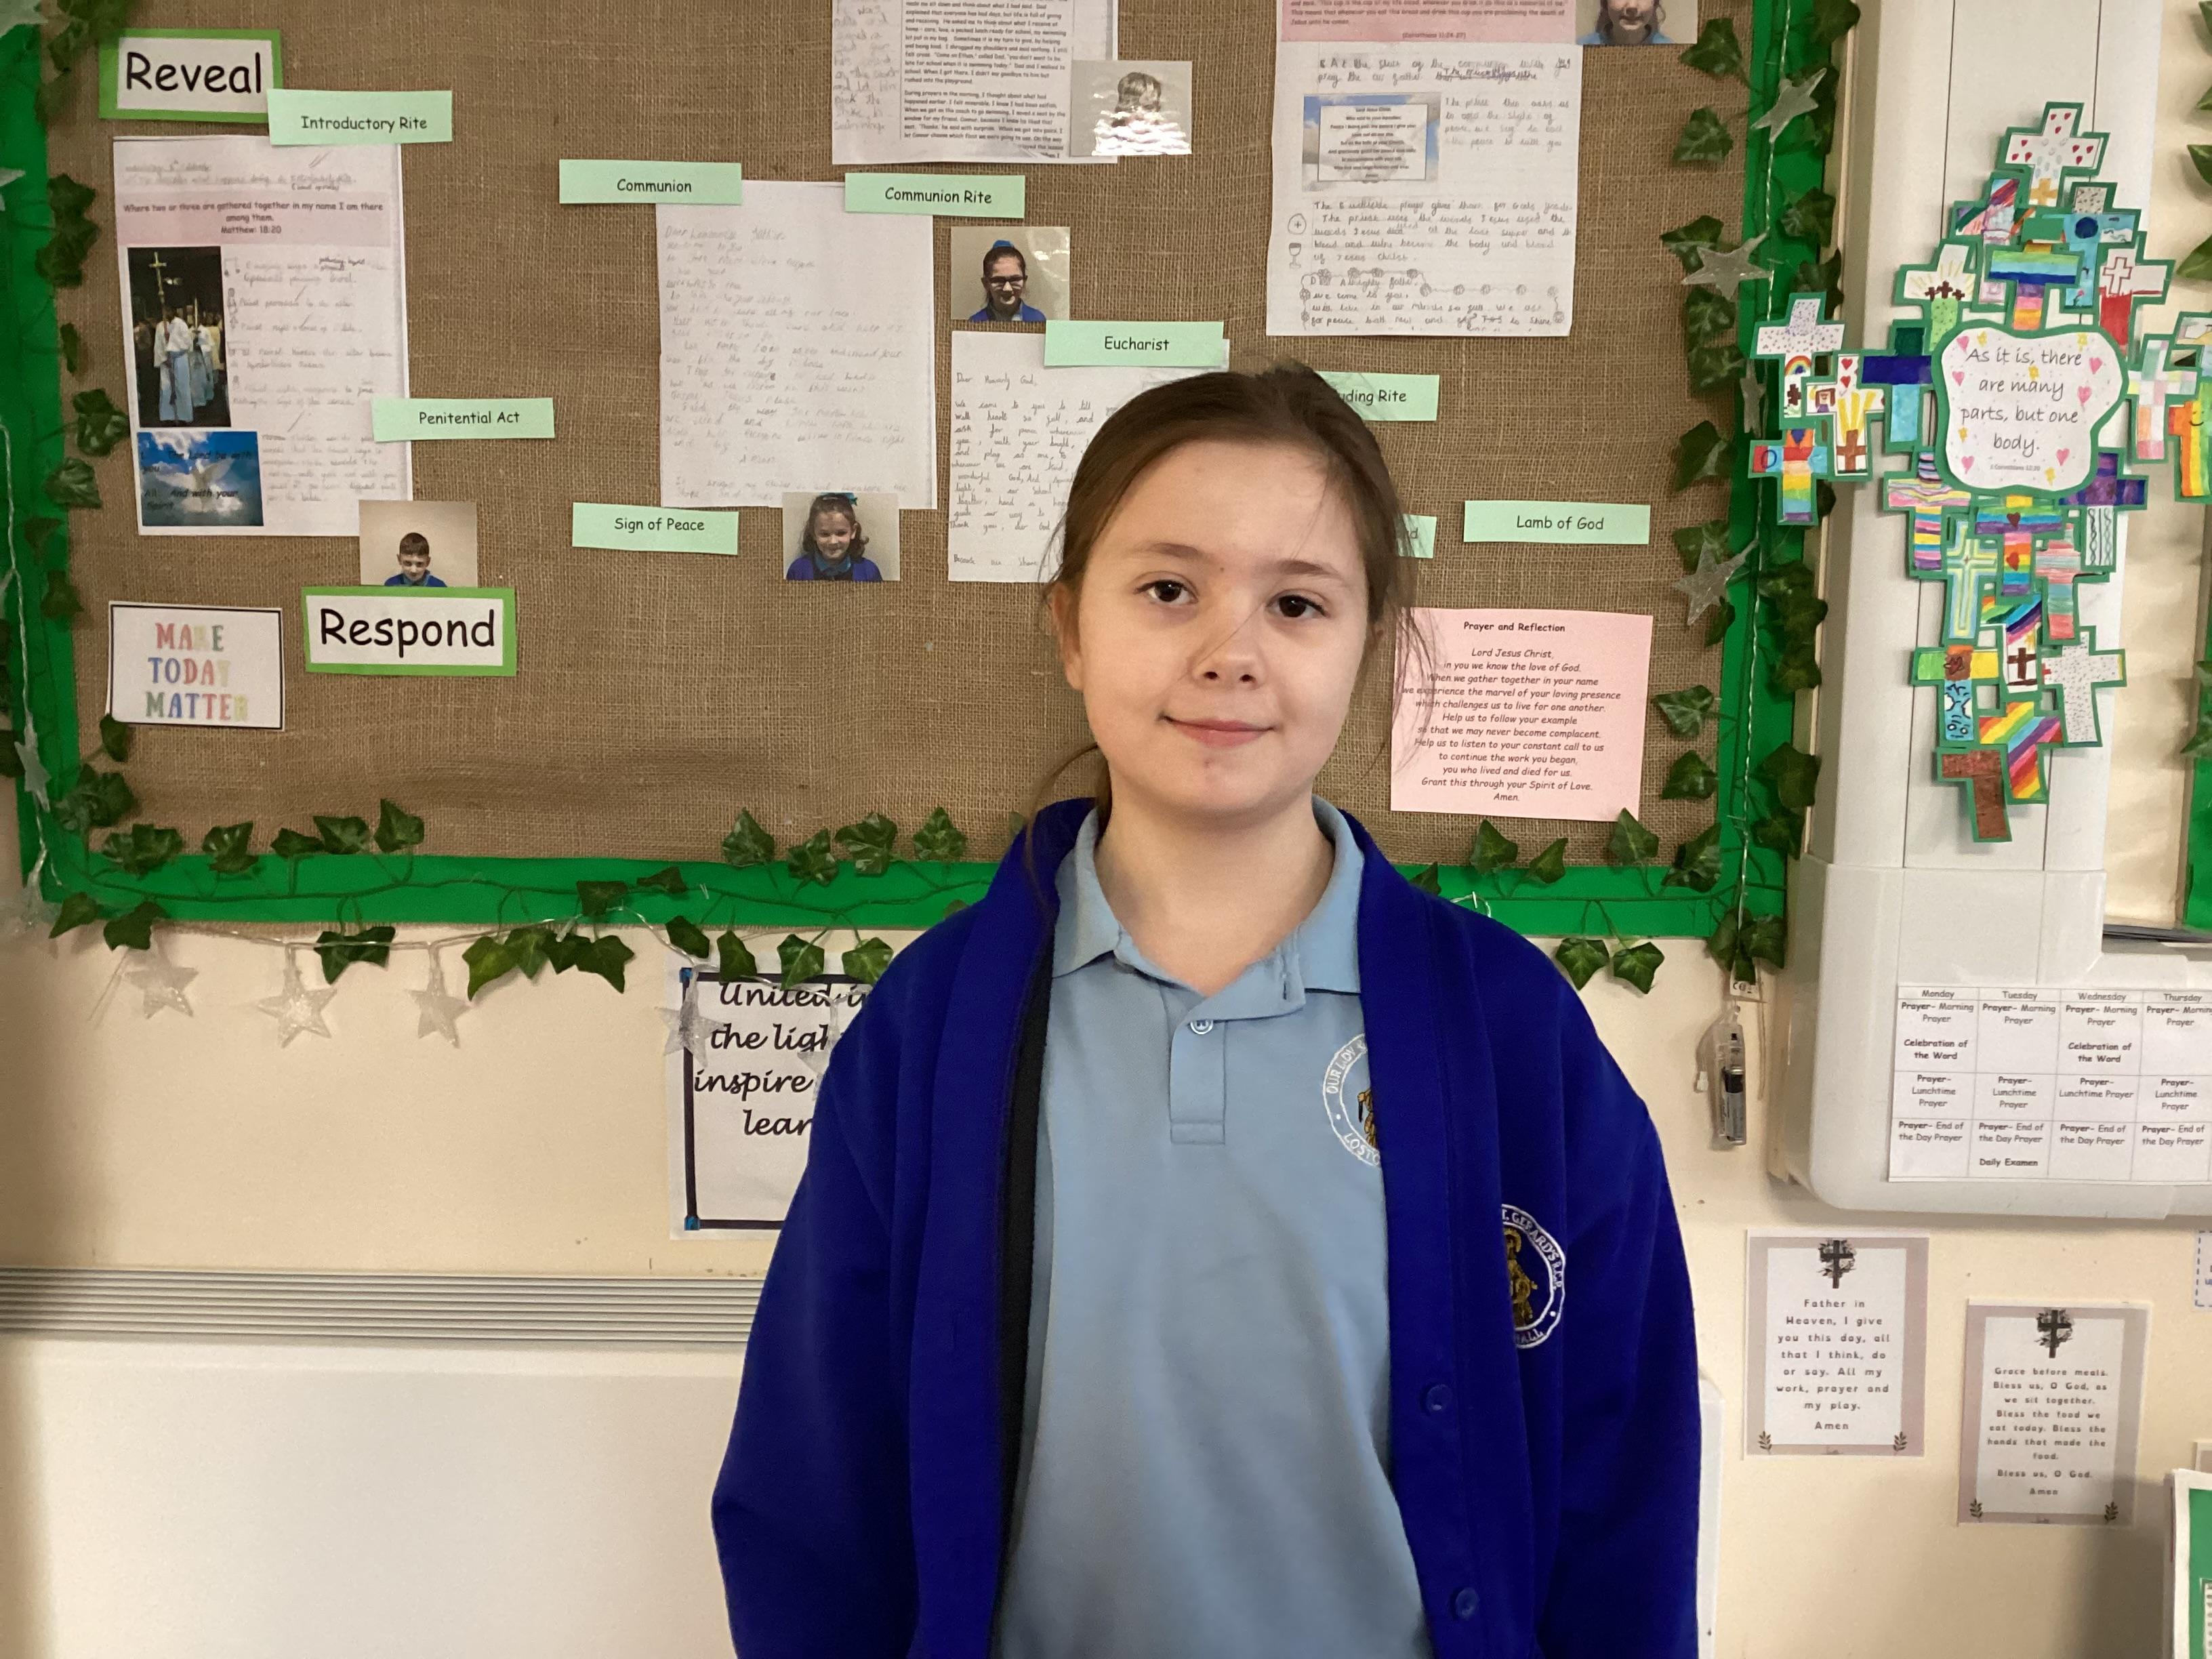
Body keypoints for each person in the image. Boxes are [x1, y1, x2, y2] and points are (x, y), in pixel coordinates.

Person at [713, 365, 1700, 1658]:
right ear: (1070, 627)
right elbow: (812, 1483)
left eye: (1295, 602)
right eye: (1167, 590)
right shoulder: (933, 1028)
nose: (1228, 651)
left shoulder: (1508, 1034)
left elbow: (1623, 1483)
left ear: (1366, 644)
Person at [784, 493, 883, 581]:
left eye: (841, 533)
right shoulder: (798, 571)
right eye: (825, 534)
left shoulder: (868, 571)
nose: (833, 542)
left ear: (853, 531)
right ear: (813, 533)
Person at [1092, 68, 1189, 156]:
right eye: (1133, 107)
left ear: (1157, 109)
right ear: (1121, 108)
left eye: (1148, 107)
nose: (1140, 114)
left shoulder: (1171, 141)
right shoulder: (1108, 139)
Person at [969, 240, 1046, 323]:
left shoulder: (1038, 320)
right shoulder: (975, 323)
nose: (1007, 289)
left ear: (1024, 281)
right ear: (986, 283)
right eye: (999, 280)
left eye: (1015, 280)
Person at [158, 310, 194, 424]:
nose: (165, 315)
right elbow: (162, 344)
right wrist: (165, 357)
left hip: (180, 358)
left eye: (167, 312)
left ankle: (185, 416)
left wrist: (178, 352)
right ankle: (170, 416)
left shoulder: (181, 324)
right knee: (168, 388)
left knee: (182, 386)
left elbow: (188, 342)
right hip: (169, 359)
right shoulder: (166, 325)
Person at [1580, 0, 1674, 44]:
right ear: (1604, 2)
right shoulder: (1579, 51)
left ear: (1655, 3)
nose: (1632, 6)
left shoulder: (1671, 54)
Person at [383, 531, 447, 587]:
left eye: (419, 564)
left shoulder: (439, 587)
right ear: (399, 560)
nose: (413, 571)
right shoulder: (391, 585)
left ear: (428, 562)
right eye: (408, 563)